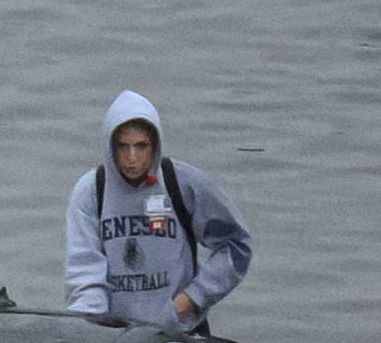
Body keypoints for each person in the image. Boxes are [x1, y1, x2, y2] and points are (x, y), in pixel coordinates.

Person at [61, 90, 249, 329]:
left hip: (179, 335)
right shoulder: (91, 191)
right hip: (117, 340)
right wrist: (88, 329)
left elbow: (236, 245)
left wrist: (194, 297)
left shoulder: (182, 183)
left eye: (141, 146)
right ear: (110, 148)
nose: (132, 158)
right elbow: (83, 271)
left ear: (154, 146)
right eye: (123, 147)